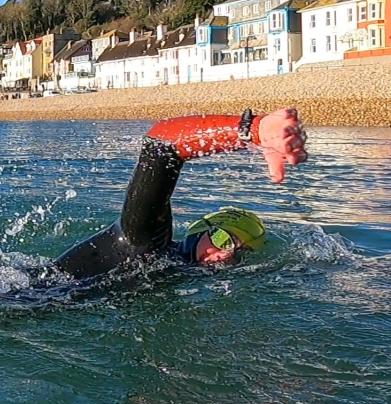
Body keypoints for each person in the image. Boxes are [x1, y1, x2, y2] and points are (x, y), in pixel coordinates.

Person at [54, 108, 307, 279]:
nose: (226, 254)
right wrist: (251, 131)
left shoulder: (182, 272)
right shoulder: (144, 241)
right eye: (224, 240)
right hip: (23, 298)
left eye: (241, 252)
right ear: (201, 228)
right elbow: (160, 146)